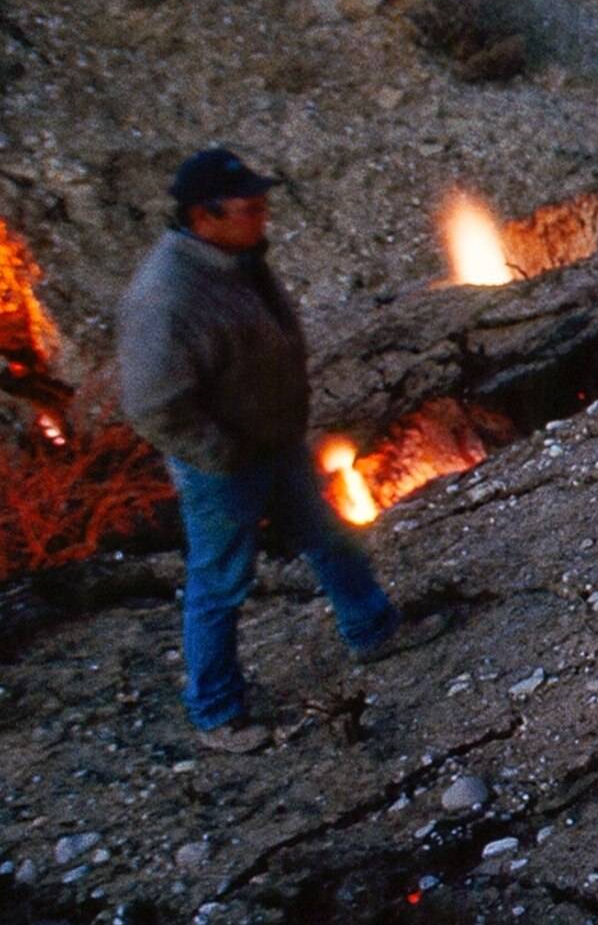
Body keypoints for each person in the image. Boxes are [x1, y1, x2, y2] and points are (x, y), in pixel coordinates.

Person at [117, 148, 443, 746]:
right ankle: (216, 711)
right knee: (220, 581)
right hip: (224, 464)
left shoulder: (235, 260)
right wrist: (220, 453)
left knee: (328, 536)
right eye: (250, 208)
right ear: (203, 215)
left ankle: (372, 629)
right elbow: (152, 402)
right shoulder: (167, 296)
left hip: (276, 442)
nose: (263, 217)